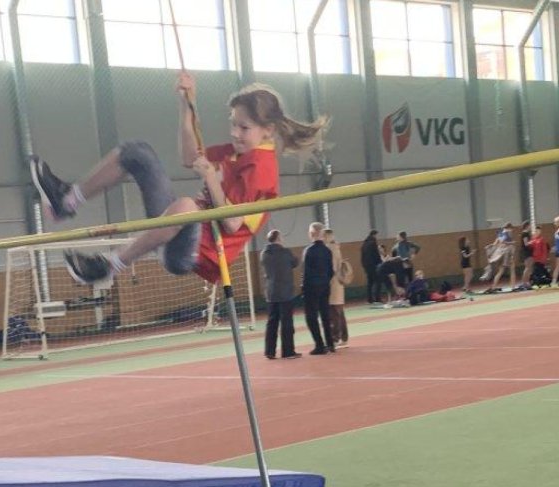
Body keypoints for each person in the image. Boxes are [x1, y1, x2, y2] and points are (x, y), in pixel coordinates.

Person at [30, 71, 326, 289]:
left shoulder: (263, 170)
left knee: (186, 206)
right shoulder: (236, 152)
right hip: (177, 226)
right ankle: (67, 200)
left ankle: (109, 265)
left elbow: (233, 224)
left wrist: (211, 179)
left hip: (196, 252)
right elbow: (189, 157)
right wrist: (186, 104)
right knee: (138, 153)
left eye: (244, 128)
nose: (235, 133)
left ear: (268, 130)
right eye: (233, 124)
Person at [260, 229, 301, 360]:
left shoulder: (264, 254)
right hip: (285, 292)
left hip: (271, 292)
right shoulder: (285, 252)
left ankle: (269, 351)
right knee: (287, 323)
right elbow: (295, 262)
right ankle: (288, 351)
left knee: (272, 322)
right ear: (278, 238)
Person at [301, 221, 336, 355]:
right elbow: (331, 271)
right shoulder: (327, 250)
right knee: (325, 315)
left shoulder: (308, 251)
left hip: (311, 287)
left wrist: (304, 287)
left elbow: (306, 272)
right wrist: (325, 281)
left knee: (311, 317)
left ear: (311, 233)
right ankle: (330, 343)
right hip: (325, 285)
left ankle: (319, 345)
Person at [325, 228, 353, 347]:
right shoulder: (336, 248)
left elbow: (332, 268)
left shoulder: (330, 249)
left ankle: (335, 338)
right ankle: (343, 337)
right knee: (339, 312)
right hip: (338, 283)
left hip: (333, 283)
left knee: (334, 313)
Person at [361, 229, 386, 303]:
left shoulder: (364, 244)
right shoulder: (373, 243)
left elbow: (362, 256)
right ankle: (377, 298)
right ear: (374, 235)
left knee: (370, 282)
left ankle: (370, 299)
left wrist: (364, 265)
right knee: (378, 281)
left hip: (366, 266)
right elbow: (376, 254)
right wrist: (380, 263)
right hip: (373, 265)